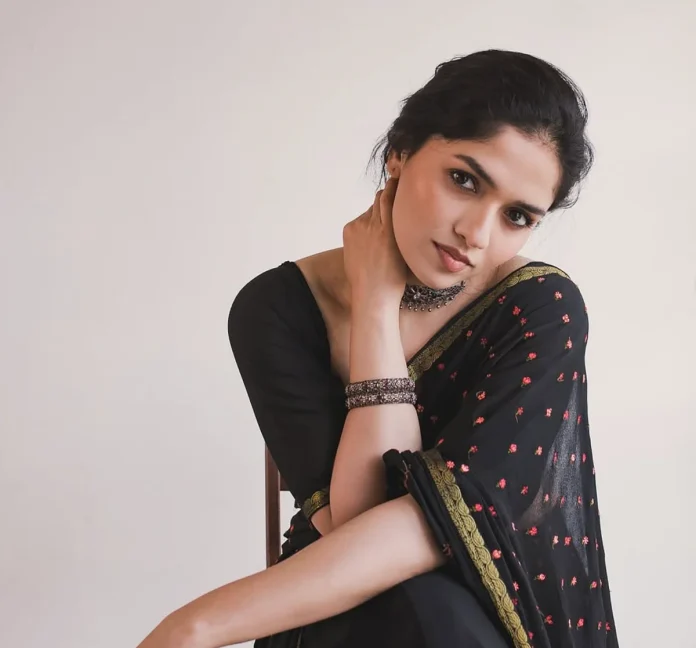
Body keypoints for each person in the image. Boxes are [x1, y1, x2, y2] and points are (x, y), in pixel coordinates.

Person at [136, 49, 619, 648]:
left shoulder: (539, 309)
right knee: (413, 603)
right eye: (464, 180)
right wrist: (374, 303)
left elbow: (437, 529)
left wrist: (195, 627)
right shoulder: (277, 309)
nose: (476, 233)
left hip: (486, 620)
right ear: (400, 153)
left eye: (517, 216)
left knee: (432, 602)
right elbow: (353, 523)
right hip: (328, 609)